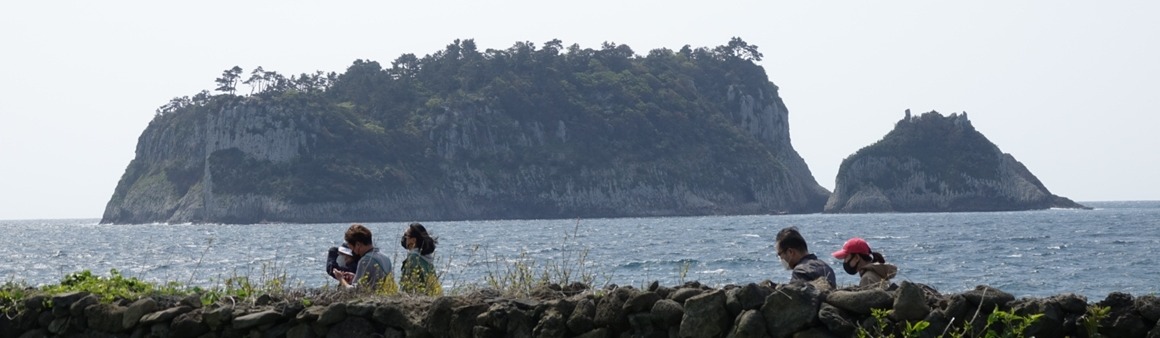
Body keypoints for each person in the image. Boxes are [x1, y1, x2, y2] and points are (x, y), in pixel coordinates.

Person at [338, 224, 396, 294]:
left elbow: (354, 291)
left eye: (351, 248)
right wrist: (355, 277)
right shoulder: (385, 258)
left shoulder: (365, 260)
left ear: (358, 245)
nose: (352, 252)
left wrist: (341, 279)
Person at [832, 237, 898, 287]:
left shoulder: (867, 279)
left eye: (846, 257)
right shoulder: (878, 272)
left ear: (857, 258)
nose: (845, 262)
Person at [399, 222, 442, 295]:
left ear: (413, 240)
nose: (404, 238)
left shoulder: (413, 258)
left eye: (406, 236)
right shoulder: (427, 259)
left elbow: (407, 285)